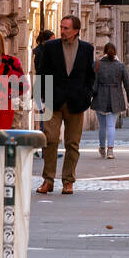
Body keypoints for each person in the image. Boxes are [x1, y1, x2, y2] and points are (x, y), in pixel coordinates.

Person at [34, 15, 97, 194]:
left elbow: (90, 75)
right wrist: (41, 96)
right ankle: (48, 180)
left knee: (72, 143)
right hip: (53, 101)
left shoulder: (86, 49)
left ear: (76, 31)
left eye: (66, 28)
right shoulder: (51, 47)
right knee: (50, 139)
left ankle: (68, 181)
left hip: (76, 102)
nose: (62, 31)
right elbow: (42, 72)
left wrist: (87, 94)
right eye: (61, 27)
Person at [92, 43, 129, 159]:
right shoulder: (120, 66)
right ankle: (110, 150)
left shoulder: (97, 64)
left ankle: (102, 148)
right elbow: (127, 83)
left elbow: (92, 81)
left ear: (104, 51)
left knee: (102, 126)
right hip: (116, 97)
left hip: (100, 96)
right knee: (111, 125)